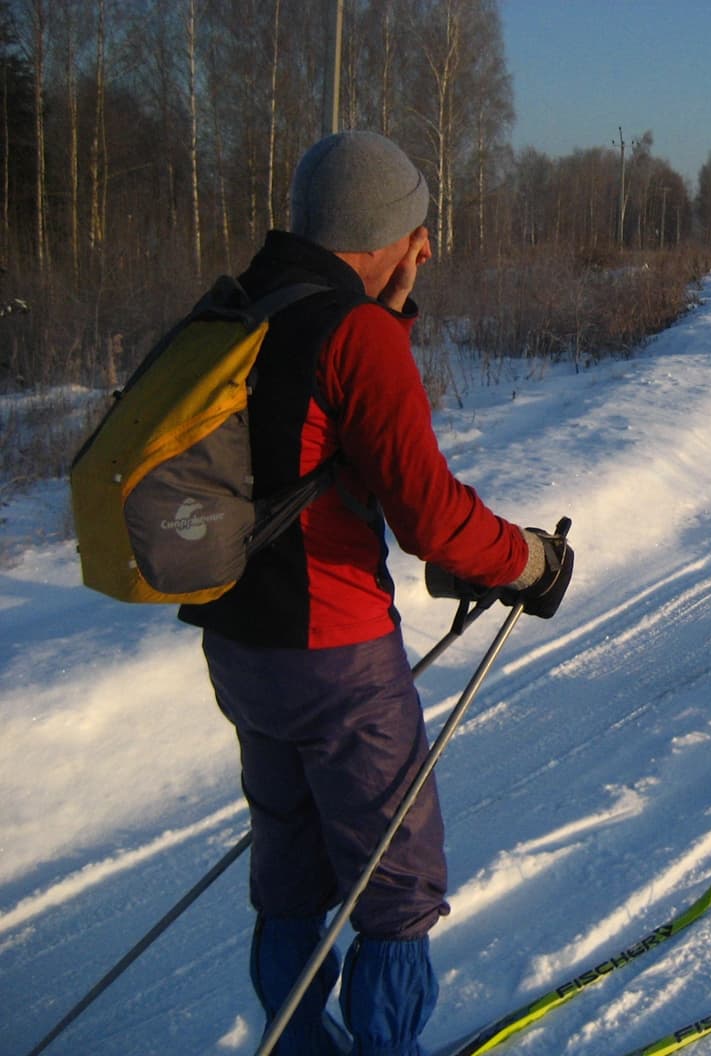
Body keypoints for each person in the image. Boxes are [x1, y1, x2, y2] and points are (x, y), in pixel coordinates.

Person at [180, 130, 573, 1056]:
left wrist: (386, 313)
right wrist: (528, 561)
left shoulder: (252, 307)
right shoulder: (354, 335)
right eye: (417, 228)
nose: (428, 247)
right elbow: (430, 515)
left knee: (290, 872)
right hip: (337, 660)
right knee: (394, 891)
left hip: (239, 647)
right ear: (377, 229)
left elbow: (309, 454)